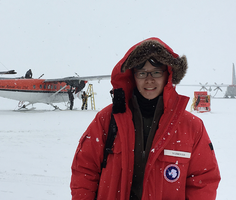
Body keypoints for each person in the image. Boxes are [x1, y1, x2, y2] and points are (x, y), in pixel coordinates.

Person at [70, 37, 220, 200]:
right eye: (142, 73)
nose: (149, 79)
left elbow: (203, 181)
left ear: (167, 75)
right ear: (133, 76)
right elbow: (85, 171)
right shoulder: (106, 120)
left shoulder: (192, 127)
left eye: (156, 72)